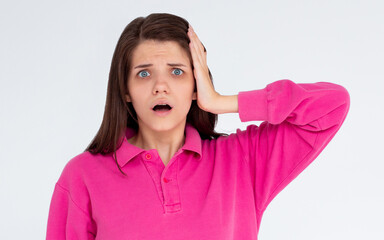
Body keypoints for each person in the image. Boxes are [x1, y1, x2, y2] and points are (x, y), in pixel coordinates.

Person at [46, 13, 350, 240]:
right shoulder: (83, 176)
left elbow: (333, 104)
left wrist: (220, 102)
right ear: (124, 90)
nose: (160, 86)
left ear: (196, 84)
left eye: (177, 72)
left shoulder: (241, 160)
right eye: (143, 74)